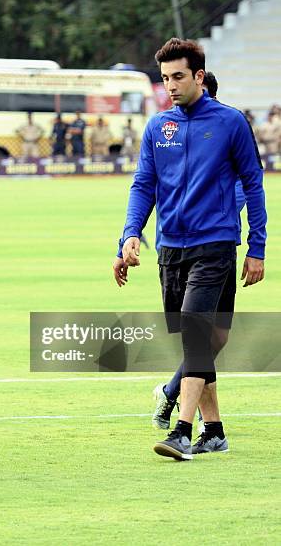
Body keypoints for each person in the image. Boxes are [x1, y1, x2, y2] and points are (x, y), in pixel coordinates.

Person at [116, 38, 266, 461]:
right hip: (170, 249)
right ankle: (214, 430)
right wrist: (129, 234)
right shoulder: (156, 127)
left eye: (178, 77)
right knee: (201, 341)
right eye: (165, 79)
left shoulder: (231, 123)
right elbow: (143, 185)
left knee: (198, 334)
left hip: (215, 243)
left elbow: (253, 185)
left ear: (199, 76)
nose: (171, 86)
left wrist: (257, 247)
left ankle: (182, 430)